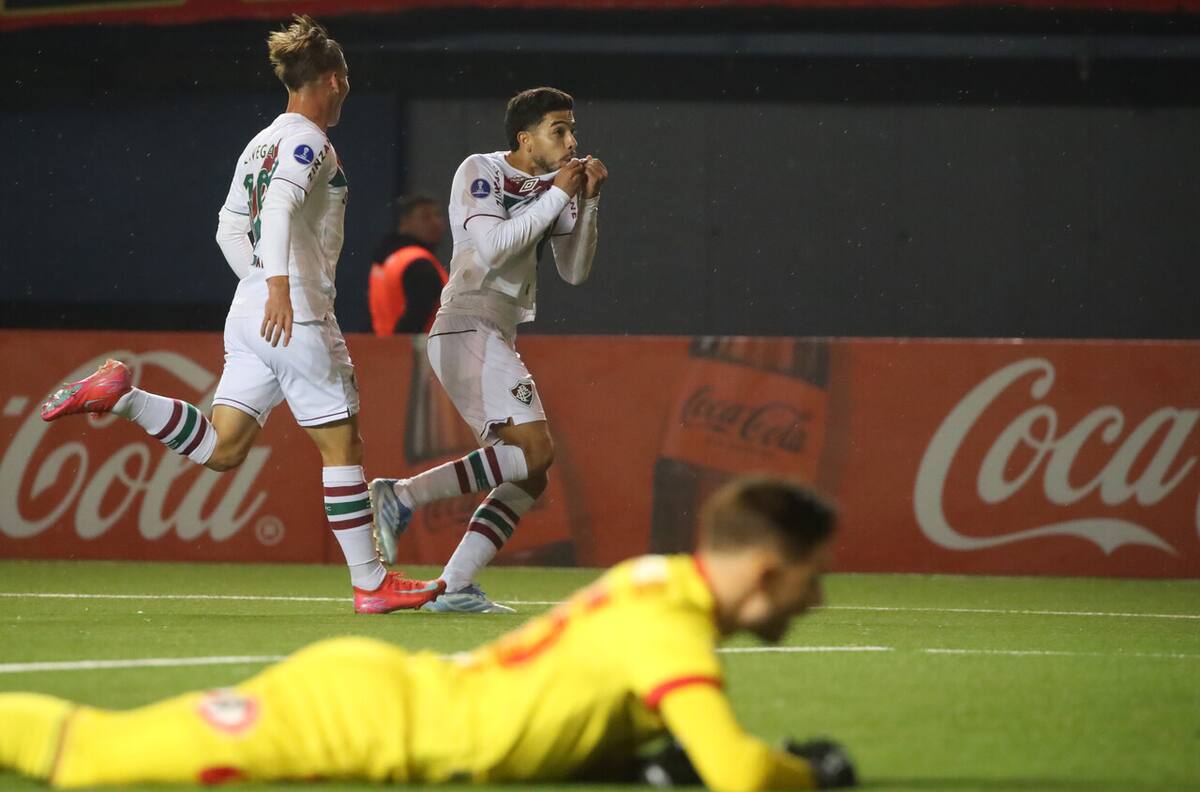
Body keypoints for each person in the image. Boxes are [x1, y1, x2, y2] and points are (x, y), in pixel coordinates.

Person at [0, 477, 856, 791]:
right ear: (771, 573)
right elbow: (743, 775)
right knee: (90, 757)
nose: (816, 598)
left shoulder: (657, 585)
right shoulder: (670, 625)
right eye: (813, 576)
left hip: (388, 702)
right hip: (362, 722)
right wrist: (806, 777)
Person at [36, 15, 442, 615]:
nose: (348, 90)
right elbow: (277, 208)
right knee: (343, 447)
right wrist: (280, 288)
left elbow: (228, 226)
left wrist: (256, 283)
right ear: (330, 79)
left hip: (250, 309)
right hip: (293, 309)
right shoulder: (308, 140)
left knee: (224, 448)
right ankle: (370, 583)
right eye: (346, 80)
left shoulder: (260, 141)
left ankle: (123, 397)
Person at [370, 86, 607, 613]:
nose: (572, 141)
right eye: (559, 130)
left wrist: (587, 201)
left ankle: (454, 587)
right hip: (463, 324)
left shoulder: (557, 186)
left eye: (572, 129)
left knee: (531, 471)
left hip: (496, 331)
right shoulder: (481, 169)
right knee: (534, 452)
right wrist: (557, 195)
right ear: (526, 137)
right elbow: (494, 249)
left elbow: (574, 271)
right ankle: (401, 496)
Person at [368, 194, 449, 336]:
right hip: (417, 354)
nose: (435, 222)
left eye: (438, 215)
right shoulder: (418, 263)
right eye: (425, 217)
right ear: (405, 222)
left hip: (384, 349)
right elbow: (415, 320)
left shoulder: (385, 260)